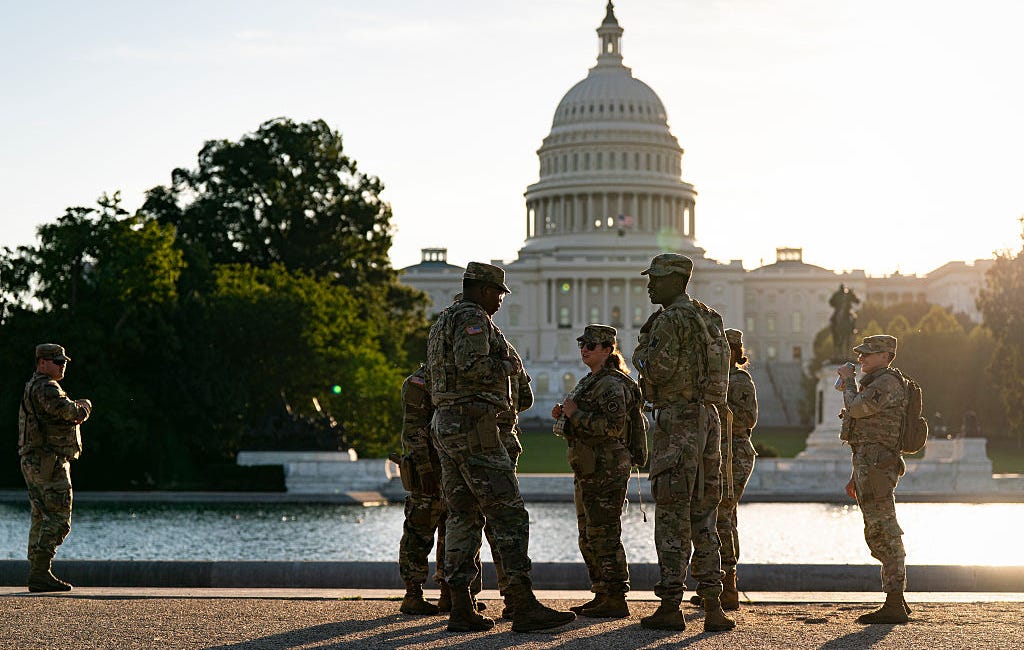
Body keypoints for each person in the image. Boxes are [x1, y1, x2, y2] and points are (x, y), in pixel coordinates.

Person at [426, 261, 575, 633]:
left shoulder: (443, 320)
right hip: (475, 425)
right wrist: (508, 365)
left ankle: (460, 604)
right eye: (498, 293)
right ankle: (522, 604)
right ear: (482, 290)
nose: (500, 301)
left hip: (447, 423)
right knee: (508, 514)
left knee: (462, 515)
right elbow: (473, 366)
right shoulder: (473, 319)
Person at [631, 254, 735, 633]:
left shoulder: (669, 320)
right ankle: (713, 605)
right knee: (705, 515)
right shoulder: (710, 317)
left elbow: (657, 368)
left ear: (678, 279)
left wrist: (640, 351)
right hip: (710, 419)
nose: (650, 285)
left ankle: (671, 605)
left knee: (673, 514)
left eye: (656, 279)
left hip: (678, 421)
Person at [551, 324, 638, 619]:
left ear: (607, 349)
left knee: (605, 532)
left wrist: (576, 414)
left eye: (591, 344)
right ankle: (601, 592)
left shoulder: (612, 384)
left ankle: (616, 596)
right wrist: (566, 416)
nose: (584, 349)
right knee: (588, 533)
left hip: (607, 468)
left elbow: (612, 428)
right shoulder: (592, 381)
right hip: (589, 467)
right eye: (582, 343)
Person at [837, 334, 911, 624]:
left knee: (884, 529)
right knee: (879, 527)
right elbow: (865, 433)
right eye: (861, 354)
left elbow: (857, 408)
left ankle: (894, 601)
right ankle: (897, 600)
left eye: (868, 354)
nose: (861, 359)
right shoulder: (878, 381)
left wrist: (847, 383)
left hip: (878, 465)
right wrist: (856, 475)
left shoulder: (887, 383)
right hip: (871, 464)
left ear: (886, 355)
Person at [690, 328, 758, 611]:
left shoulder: (739, 381)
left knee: (723, 517)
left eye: (722, 349)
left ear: (733, 352)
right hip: (714, 453)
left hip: (733, 455)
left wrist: (717, 405)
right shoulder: (710, 381)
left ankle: (727, 586)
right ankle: (714, 584)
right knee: (711, 515)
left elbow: (746, 420)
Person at [17, 343, 92, 592]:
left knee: (41, 516)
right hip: (48, 461)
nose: (63, 365)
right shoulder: (47, 387)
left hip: (36, 460)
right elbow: (68, 411)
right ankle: (40, 572)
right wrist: (84, 407)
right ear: (42, 362)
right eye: (57, 361)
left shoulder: (34, 385)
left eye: (64, 361)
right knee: (59, 517)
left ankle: (37, 572)